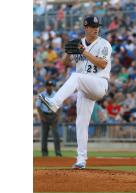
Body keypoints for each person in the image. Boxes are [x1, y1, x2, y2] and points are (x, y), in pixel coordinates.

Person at [39, 15, 112, 169]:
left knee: (76, 77)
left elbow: (103, 64)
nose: (96, 29)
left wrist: (84, 52)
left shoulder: (104, 44)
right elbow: (65, 63)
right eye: (92, 26)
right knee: (81, 123)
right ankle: (81, 160)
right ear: (85, 28)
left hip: (99, 83)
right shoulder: (79, 44)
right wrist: (68, 52)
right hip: (85, 88)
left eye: (97, 26)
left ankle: (54, 102)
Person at [36, 80, 62, 157]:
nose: (49, 87)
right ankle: (44, 153)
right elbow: (38, 106)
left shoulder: (56, 94)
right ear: (45, 86)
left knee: (56, 135)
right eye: (47, 85)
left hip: (53, 115)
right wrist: (41, 116)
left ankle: (58, 153)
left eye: (50, 85)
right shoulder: (41, 95)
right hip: (45, 115)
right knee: (44, 136)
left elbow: (59, 107)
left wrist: (57, 117)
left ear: (52, 86)